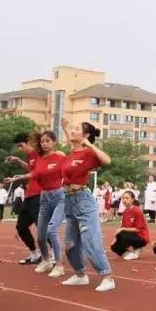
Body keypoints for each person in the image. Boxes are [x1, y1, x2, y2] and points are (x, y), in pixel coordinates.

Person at [58, 118, 115, 292]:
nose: (73, 131)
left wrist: (89, 144)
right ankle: (80, 275)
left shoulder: (88, 154)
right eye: (72, 129)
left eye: (77, 129)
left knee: (90, 241)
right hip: (69, 201)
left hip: (83, 200)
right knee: (70, 244)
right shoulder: (72, 153)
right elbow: (71, 143)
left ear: (86, 135)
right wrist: (65, 127)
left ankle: (107, 276)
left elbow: (107, 161)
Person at [27, 131, 67, 278]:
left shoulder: (60, 156)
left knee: (52, 230)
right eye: (42, 141)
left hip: (59, 196)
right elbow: (34, 174)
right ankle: (46, 261)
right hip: (44, 197)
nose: (44, 144)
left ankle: (59, 265)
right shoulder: (40, 159)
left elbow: (70, 167)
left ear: (54, 142)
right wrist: (18, 178)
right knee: (41, 236)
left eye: (47, 141)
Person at [3, 132, 42, 265]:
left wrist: (17, 178)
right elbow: (30, 169)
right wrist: (18, 160)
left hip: (39, 194)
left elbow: (36, 173)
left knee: (41, 227)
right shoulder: (30, 155)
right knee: (21, 226)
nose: (20, 149)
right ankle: (34, 253)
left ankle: (53, 254)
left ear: (29, 142)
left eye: (21, 146)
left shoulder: (39, 153)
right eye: (18, 147)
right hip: (30, 195)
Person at [112, 191, 149, 260]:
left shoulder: (137, 211)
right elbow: (123, 227)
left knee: (122, 234)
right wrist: (115, 238)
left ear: (132, 199)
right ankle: (130, 254)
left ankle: (137, 247)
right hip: (130, 235)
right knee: (114, 246)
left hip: (141, 237)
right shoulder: (125, 211)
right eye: (123, 198)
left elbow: (138, 229)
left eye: (127, 198)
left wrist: (123, 230)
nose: (124, 200)